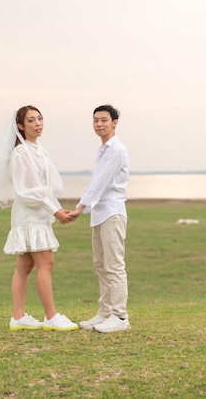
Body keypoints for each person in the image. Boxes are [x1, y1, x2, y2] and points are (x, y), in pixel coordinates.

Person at [0, 105, 79, 332]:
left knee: (25, 265)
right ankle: (51, 316)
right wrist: (54, 210)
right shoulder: (20, 154)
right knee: (46, 262)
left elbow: (47, 188)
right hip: (28, 216)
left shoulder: (39, 150)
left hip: (38, 214)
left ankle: (18, 317)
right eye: (31, 120)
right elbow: (26, 191)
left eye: (40, 119)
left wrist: (56, 208)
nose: (38, 123)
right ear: (20, 126)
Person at [70, 104, 130, 333]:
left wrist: (79, 208)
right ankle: (105, 312)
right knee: (100, 265)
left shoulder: (117, 150)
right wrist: (84, 208)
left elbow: (100, 184)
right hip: (99, 214)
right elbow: (96, 183)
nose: (99, 124)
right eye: (96, 120)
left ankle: (120, 316)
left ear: (115, 122)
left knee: (114, 265)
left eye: (104, 120)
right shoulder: (102, 150)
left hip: (112, 212)